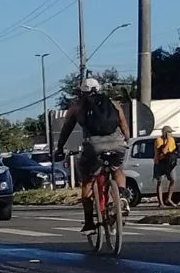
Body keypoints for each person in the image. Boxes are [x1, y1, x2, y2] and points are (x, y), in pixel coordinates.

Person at [55, 78, 131, 232]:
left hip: (93, 146)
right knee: (117, 169)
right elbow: (123, 124)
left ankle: (89, 222)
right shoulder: (113, 104)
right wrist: (126, 140)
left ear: (82, 91)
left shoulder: (77, 107)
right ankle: (122, 196)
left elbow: (66, 130)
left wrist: (59, 148)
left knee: (87, 180)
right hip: (117, 143)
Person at [153, 125, 178, 207]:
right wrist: (168, 140)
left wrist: (170, 140)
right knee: (160, 182)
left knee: (173, 180)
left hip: (169, 163)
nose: (171, 134)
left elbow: (170, 151)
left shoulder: (172, 140)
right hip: (160, 162)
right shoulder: (158, 140)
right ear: (165, 133)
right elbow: (163, 151)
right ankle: (161, 203)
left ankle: (169, 198)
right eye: (170, 133)